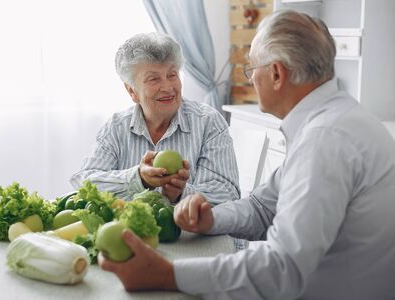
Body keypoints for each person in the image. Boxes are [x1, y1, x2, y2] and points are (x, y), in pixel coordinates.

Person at [98, 9, 395, 300]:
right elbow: (262, 208)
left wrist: (169, 274)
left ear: (276, 74)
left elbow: (282, 268)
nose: (251, 79)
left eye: (252, 69)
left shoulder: (325, 140)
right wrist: (210, 219)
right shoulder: (331, 122)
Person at [70, 32, 240, 204]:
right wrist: (138, 179)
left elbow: (228, 194)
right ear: (132, 91)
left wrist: (182, 194)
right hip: (128, 230)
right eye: (153, 79)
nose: (167, 87)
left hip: (188, 231)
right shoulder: (116, 127)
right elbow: (85, 184)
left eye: (172, 75)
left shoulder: (208, 123)